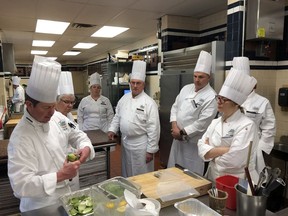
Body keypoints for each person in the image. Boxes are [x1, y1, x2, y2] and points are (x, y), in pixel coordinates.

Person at [7, 56, 95, 212]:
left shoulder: (56, 117)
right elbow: (20, 185)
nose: (52, 112)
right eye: (46, 107)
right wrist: (59, 176)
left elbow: (78, 135)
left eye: (53, 106)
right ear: (29, 105)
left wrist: (86, 147)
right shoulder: (21, 137)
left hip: (68, 195)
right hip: (41, 205)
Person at [198, 68, 259, 183]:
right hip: (214, 177)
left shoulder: (247, 125)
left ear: (236, 104)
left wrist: (211, 153)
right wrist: (225, 150)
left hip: (237, 181)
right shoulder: (215, 122)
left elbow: (235, 159)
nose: (219, 102)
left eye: (224, 99)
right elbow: (201, 147)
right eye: (219, 98)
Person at [167, 50, 218, 175]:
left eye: (201, 77)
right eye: (195, 76)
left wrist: (182, 133)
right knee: (173, 172)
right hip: (177, 139)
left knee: (190, 176)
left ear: (209, 77)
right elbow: (175, 107)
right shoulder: (186, 88)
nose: (197, 80)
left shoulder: (211, 96)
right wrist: (174, 127)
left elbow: (202, 123)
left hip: (193, 144)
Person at [107, 60, 160, 177]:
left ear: (143, 84)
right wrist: (112, 129)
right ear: (130, 83)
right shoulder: (124, 99)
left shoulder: (149, 103)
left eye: (138, 83)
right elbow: (117, 116)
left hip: (141, 144)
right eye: (133, 83)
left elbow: (154, 128)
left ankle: (143, 195)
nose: (135, 86)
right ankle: (129, 192)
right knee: (127, 171)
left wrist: (150, 151)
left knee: (142, 174)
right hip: (126, 142)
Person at [232, 56, 276, 173]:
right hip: (232, 148)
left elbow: (269, 128)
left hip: (253, 150)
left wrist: (260, 150)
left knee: (250, 182)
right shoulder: (230, 100)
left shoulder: (262, 102)